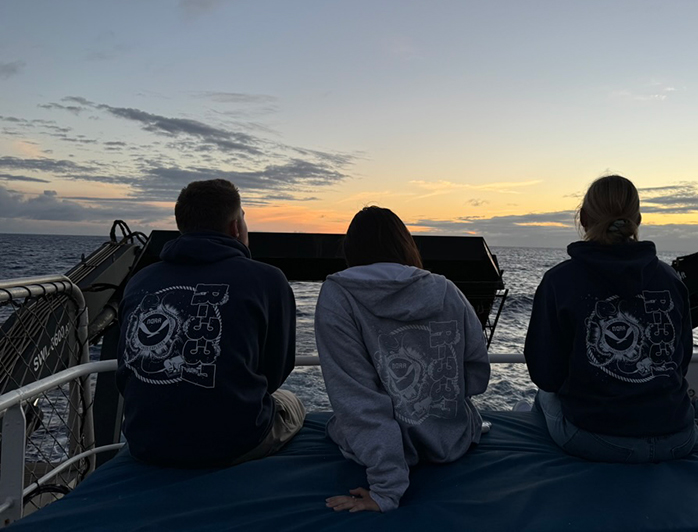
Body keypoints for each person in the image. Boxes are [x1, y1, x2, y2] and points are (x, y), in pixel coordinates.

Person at [116, 179, 305, 468]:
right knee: (292, 401)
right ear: (235, 227)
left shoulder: (140, 281)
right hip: (235, 444)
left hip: (146, 443)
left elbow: (126, 368)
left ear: (182, 226)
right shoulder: (268, 279)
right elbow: (276, 370)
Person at [316, 206, 490, 512]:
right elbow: (477, 374)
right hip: (452, 442)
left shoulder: (339, 297)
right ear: (406, 244)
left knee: (335, 423)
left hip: (386, 460)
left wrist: (386, 489)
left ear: (351, 250)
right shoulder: (447, 290)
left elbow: (358, 402)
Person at [524, 175, 696, 463]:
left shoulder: (560, 280)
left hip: (599, 440)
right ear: (637, 218)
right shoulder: (670, 279)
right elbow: (681, 360)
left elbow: (546, 375)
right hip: (678, 438)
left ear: (584, 217)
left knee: (544, 398)